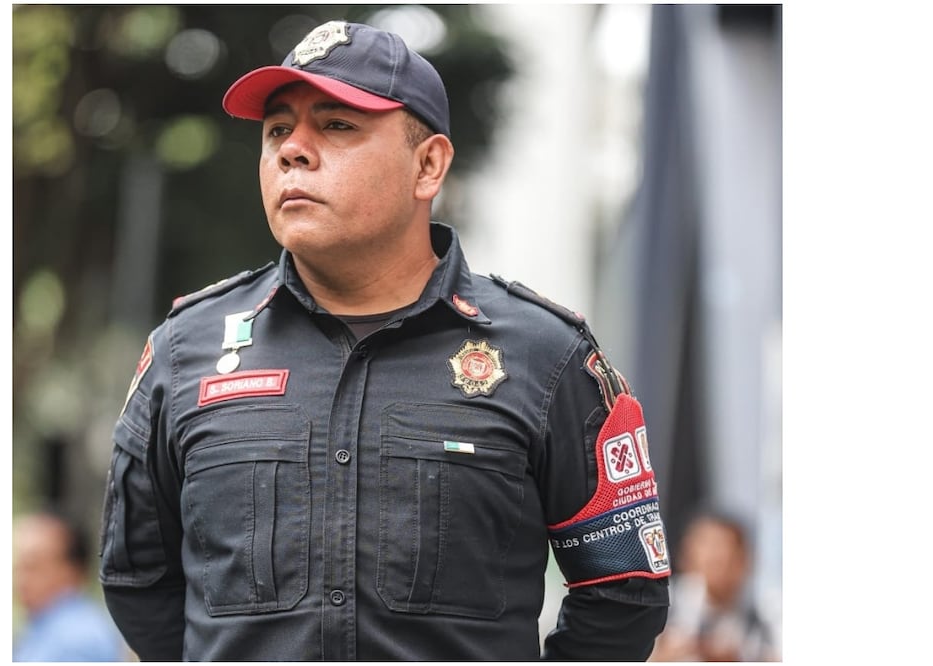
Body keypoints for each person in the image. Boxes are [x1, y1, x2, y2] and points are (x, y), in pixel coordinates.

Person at [98, 19, 671, 661]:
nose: (293, 150)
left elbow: (624, 595)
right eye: (278, 130)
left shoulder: (545, 355)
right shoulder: (186, 350)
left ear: (428, 165)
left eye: (337, 125)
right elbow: (137, 581)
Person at [649, 510, 780, 662]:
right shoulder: (660, 605)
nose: (716, 556)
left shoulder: (760, 620)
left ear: (745, 562)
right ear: (687, 555)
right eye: (708, 547)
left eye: (724, 550)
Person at [13, 510, 126, 662]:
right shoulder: (43, 626)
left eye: (33, 566)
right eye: (19, 566)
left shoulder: (78, 639)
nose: (21, 578)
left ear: (72, 569)